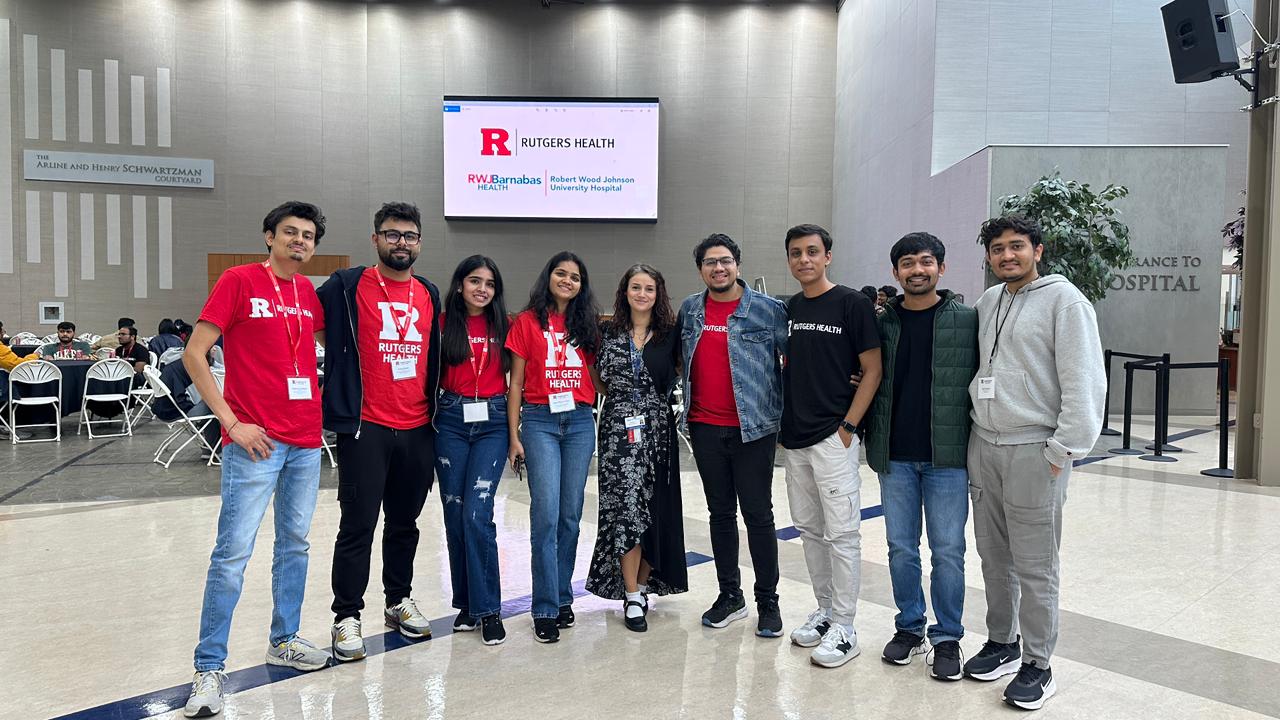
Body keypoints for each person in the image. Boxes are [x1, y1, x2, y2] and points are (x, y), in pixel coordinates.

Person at [182, 201, 329, 719]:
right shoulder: (239, 280)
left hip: (306, 441)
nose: (299, 241)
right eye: (290, 232)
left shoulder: (308, 293)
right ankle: (208, 667)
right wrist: (230, 421)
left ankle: (284, 639)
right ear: (269, 236)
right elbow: (194, 354)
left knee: (295, 544)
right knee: (232, 554)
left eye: (308, 235)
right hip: (255, 442)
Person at [961, 215, 1105, 711]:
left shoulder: (1065, 302)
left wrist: (1064, 449)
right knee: (993, 556)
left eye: (1016, 246)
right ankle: (1002, 642)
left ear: (1037, 250)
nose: (1007, 256)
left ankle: (1039, 664)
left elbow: (1083, 380)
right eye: (997, 248)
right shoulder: (989, 302)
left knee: (1036, 564)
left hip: (1034, 449)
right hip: (985, 446)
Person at [315, 202, 441, 662]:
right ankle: (346, 614)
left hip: (417, 426)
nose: (401, 243)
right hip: (365, 426)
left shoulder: (428, 292)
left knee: (405, 524)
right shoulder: (346, 286)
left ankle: (397, 600)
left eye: (409, 235)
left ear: (419, 242)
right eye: (392, 235)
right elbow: (318, 328)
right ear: (375, 240)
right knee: (358, 525)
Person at [864, 232, 977, 680]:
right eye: (907, 263)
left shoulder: (967, 320)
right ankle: (909, 626)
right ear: (896, 273)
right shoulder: (881, 323)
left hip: (946, 456)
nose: (917, 270)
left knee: (948, 551)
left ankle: (947, 637)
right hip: (895, 455)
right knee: (900, 549)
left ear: (941, 268)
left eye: (926, 262)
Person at [778, 224, 881, 668]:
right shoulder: (790, 307)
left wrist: (848, 427)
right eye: (796, 253)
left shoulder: (853, 304)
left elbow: (872, 370)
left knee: (842, 533)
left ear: (828, 256)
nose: (804, 259)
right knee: (808, 529)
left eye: (812, 252)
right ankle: (824, 611)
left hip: (833, 437)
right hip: (795, 439)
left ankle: (845, 626)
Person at [677, 233, 788, 638]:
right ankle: (730, 596)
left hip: (753, 430)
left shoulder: (768, 310)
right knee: (720, 514)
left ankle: (768, 602)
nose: (718, 268)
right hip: (705, 428)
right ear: (701, 269)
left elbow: (791, 364)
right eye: (709, 262)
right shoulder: (691, 310)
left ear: (737, 264)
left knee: (759, 516)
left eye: (725, 261)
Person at [586, 264, 688, 632]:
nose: (642, 294)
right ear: (624, 291)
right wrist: (624, 401)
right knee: (626, 509)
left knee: (656, 509)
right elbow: (597, 378)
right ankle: (631, 594)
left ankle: (643, 587)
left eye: (649, 288)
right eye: (635, 287)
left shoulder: (670, 335)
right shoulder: (606, 332)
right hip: (617, 432)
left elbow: (681, 370)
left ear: (658, 293)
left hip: (659, 431)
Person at [505, 251, 600, 644]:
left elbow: (598, 378)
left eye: (575, 277)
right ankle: (544, 606)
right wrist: (514, 437)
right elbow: (515, 384)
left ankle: (563, 597)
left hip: (579, 421)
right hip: (541, 421)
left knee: (570, 517)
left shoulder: (588, 326)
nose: (567, 280)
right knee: (545, 516)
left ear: (582, 285)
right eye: (561, 273)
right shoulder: (526, 323)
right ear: (548, 277)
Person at [435, 255, 511, 646]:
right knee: (455, 513)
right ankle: (466, 603)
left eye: (489, 283)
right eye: (474, 281)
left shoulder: (504, 325)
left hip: (493, 422)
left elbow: (520, 381)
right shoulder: (443, 323)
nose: (482, 289)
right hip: (450, 419)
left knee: (477, 514)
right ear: (460, 284)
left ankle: (490, 608)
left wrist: (516, 435)